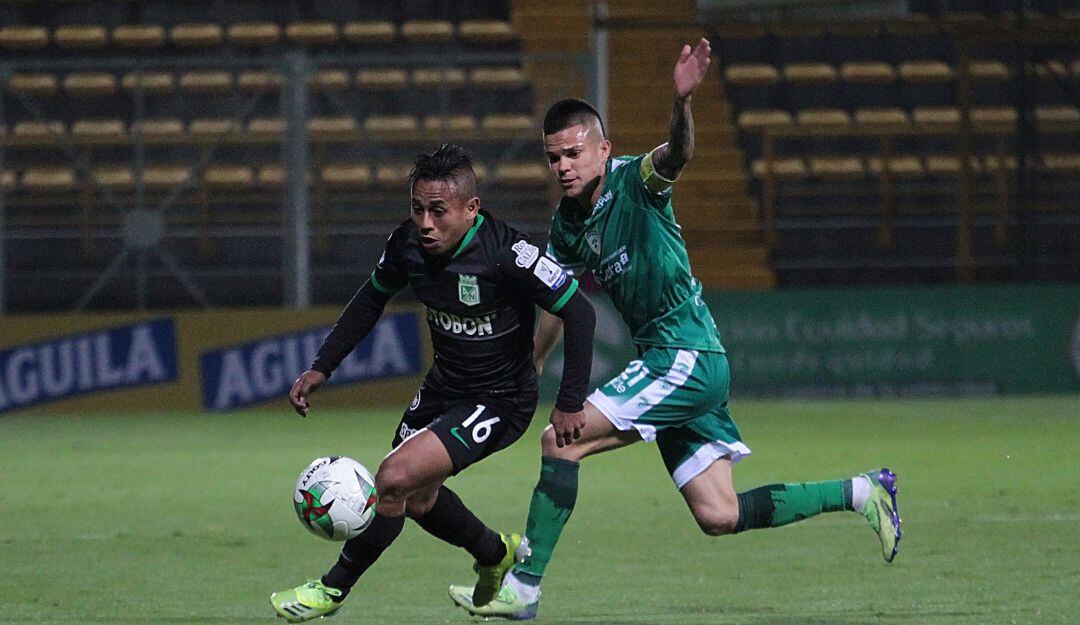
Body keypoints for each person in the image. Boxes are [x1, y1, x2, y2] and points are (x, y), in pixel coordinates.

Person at [448, 38, 902, 620]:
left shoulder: (635, 181)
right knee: (720, 515)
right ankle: (864, 491)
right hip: (684, 363)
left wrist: (682, 102)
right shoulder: (566, 225)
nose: (562, 165)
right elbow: (559, 301)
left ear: (602, 148)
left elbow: (677, 155)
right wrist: (534, 362)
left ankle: (526, 587)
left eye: (573, 152)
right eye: (553, 157)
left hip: (682, 355)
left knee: (559, 439)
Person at [270, 144, 596, 622]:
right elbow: (370, 299)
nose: (426, 222)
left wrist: (569, 403)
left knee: (392, 480)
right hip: (444, 388)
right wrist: (324, 366)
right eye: (418, 209)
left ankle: (330, 590)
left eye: (438, 211)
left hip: (501, 400)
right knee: (416, 498)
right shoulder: (407, 245)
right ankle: (494, 553)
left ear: (471, 209)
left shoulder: (509, 253)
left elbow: (579, 311)